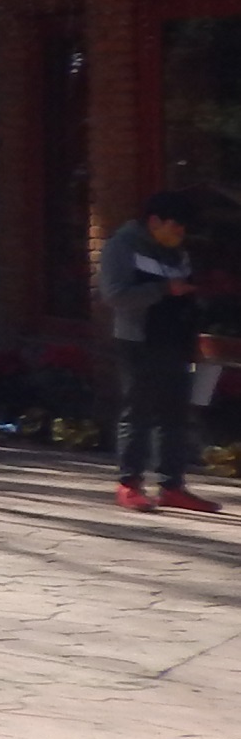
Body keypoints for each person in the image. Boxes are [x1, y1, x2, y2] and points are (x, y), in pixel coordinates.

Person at [99, 189, 223, 513]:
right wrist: (163, 289)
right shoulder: (122, 246)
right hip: (138, 339)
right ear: (154, 221)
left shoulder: (177, 251)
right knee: (138, 411)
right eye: (175, 226)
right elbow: (114, 295)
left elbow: (185, 294)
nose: (180, 232)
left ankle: (172, 486)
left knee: (175, 414)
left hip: (174, 339)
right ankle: (129, 484)